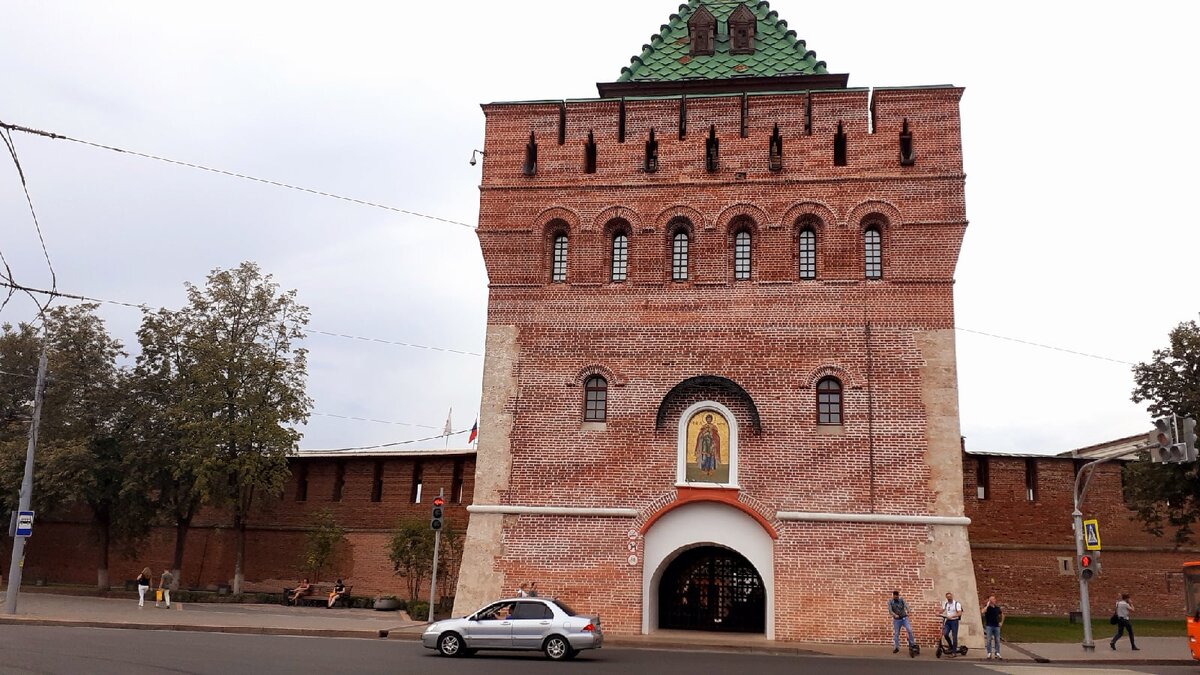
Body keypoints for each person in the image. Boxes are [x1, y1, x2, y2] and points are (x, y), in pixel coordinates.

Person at [982, 594, 1004, 660]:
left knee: (997, 640)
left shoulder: (997, 608)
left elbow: (1002, 615)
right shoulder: (987, 608)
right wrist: (987, 605)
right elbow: (982, 611)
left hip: (996, 626)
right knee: (988, 640)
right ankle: (989, 652)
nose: (992, 601)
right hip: (989, 626)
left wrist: (1001, 622)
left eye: (993, 599)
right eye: (990, 600)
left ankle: (997, 653)